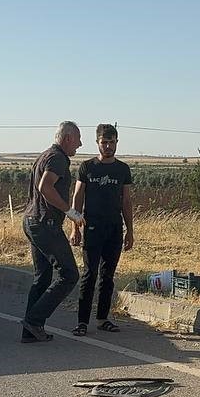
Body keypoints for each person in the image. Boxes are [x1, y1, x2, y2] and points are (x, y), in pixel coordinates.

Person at [20, 121, 84, 343]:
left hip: (32, 221)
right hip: (44, 224)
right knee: (69, 275)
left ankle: (30, 331)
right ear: (67, 138)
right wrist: (70, 211)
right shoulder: (57, 158)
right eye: (77, 140)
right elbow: (45, 187)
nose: (80, 144)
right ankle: (34, 320)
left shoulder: (44, 155)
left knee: (43, 277)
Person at [70, 124, 134, 336]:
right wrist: (75, 227)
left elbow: (126, 201)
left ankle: (102, 318)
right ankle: (82, 322)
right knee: (89, 274)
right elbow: (77, 197)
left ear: (117, 142)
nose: (108, 146)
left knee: (108, 275)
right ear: (97, 143)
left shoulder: (123, 169)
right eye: (104, 142)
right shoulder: (88, 167)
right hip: (92, 227)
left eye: (112, 142)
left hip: (114, 228)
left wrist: (130, 231)